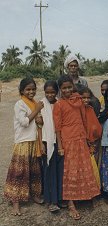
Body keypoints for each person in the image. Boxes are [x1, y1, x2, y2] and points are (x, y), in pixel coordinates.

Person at [53, 75, 100, 220]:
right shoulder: (59, 105)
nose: (67, 90)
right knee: (70, 172)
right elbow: (58, 128)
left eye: (69, 87)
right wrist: (60, 147)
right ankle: (71, 204)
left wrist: (87, 138)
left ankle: (87, 196)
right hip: (68, 141)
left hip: (80, 139)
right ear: (60, 89)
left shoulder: (79, 101)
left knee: (84, 168)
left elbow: (85, 117)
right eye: (64, 88)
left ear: (72, 86)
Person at [4, 78, 44, 216]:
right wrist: (37, 110)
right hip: (23, 142)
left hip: (34, 141)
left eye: (33, 89)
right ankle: (16, 202)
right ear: (22, 91)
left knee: (34, 171)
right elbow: (25, 122)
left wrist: (40, 118)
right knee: (19, 173)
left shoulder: (34, 103)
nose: (31, 91)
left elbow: (38, 121)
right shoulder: (19, 104)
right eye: (28, 89)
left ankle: (34, 195)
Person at [40, 80, 64, 212]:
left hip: (59, 141)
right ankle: (51, 201)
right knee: (49, 171)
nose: (50, 95)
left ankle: (60, 198)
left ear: (56, 92)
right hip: (47, 142)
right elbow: (38, 126)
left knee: (59, 171)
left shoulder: (59, 103)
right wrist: (41, 144)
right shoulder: (41, 104)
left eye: (52, 92)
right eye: (47, 92)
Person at [77, 86, 102, 187]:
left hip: (91, 143)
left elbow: (95, 127)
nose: (86, 100)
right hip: (79, 143)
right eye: (83, 98)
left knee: (91, 167)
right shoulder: (75, 111)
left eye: (88, 98)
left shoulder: (90, 109)